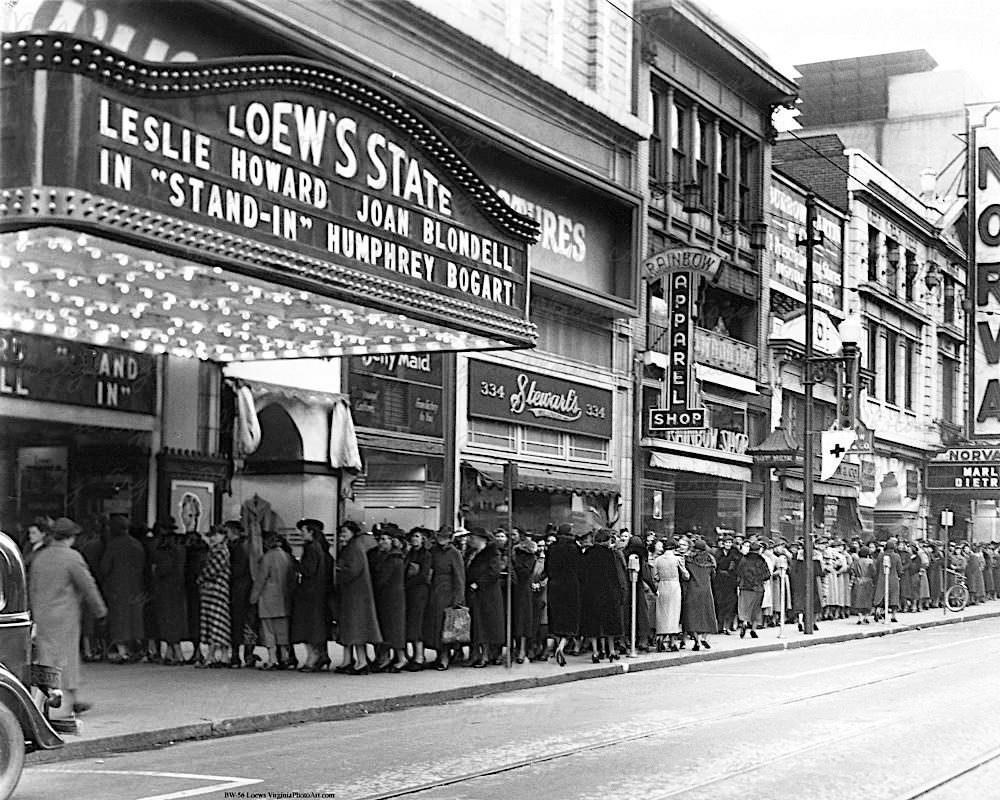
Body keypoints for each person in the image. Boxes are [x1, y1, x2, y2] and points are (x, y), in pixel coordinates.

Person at [28, 517, 107, 733]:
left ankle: (47, 700)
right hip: (64, 617)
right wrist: (100, 610)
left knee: (46, 658)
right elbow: (88, 585)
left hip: (42, 616)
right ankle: (65, 706)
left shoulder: (40, 557)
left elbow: (32, 587)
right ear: (70, 538)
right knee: (66, 659)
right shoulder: (72, 557)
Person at [334, 520, 382, 675]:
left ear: (352, 533)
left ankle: (361, 662)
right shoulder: (355, 547)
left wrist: (339, 571)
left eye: (344, 532)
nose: (342, 535)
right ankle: (355, 661)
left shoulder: (353, 548)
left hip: (355, 595)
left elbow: (352, 570)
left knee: (356, 629)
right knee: (354, 629)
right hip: (356, 595)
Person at [100, 515, 147, 663]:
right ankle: (137, 648)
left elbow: (105, 567)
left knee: (119, 621)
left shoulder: (113, 545)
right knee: (134, 621)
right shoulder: (137, 544)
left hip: (117, 588)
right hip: (135, 587)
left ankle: (123, 652)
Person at [291, 518, 332, 671]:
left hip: (309, 593)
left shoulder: (311, 548)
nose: (301, 534)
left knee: (308, 627)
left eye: (303, 531)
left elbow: (308, 570)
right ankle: (322, 655)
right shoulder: (321, 548)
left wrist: (295, 565)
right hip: (318, 593)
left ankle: (312, 658)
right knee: (317, 626)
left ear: (311, 532)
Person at [251, 530, 296, 669]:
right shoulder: (287, 556)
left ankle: (272, 659)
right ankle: (285, 657)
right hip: (284, 598)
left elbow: (261, 580)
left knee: (269, 630)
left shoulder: (267, 557)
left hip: (268, 598)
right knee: (282, 630)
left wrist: (253, 597)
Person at [579, 529, 625, 663]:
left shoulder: (588, 553)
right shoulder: (610, 554)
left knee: (593, 624)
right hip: (608, 592)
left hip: (591, 593)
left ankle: (595, 652)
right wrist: (619, 593)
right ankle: (611, 651)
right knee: (609, 623)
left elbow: (583, 574)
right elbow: (614, 575)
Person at [423, 526, 465, 671]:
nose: (442, 539)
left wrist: (458, 598)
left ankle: (445, 656)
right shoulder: (433, 551)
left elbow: (459, 576)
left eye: (445, 537)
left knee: (445, 627)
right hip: (434, 591)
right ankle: (438, 654)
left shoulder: (454, 553)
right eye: (440, 536)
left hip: (447, 592)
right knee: (434, 626)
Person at [464, 527, 504, 668]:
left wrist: (478, 583)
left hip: (488, 595)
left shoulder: (492, 554)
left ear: (481, 539)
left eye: (473, 537)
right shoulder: (471, 554)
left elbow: (493, 573)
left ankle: (486, 655)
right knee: (476, 625)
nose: (470, 540)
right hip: (474, 594)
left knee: (486, 625)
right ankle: (475, 654)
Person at [150, 518, 188, 664]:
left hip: (165, 588)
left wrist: (155, 570)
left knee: (167, 619)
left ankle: (176, 652)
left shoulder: (164, 548)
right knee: (176, 619)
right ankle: (172, 652)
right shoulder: (179, 546)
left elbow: (163, 568)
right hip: (177, 587)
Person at [542, 523, 581, 666]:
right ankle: (562, 646)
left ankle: (558, 644)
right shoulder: (574, 548)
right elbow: (579, 568)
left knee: (557, 617)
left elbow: (547, 568)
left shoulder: (552, 548)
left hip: (555, 586)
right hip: (571, 585)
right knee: (570, 618)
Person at [370, 525, 407, 673]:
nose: (382, 542)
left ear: (392, 541)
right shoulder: (389, 556)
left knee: (394, 629)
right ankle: (386, 658)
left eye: (385, 539)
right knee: (388, 628)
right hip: (389, 597)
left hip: (392, 598)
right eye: (380, 539)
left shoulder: (394, 558)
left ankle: (401, 658)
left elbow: (383, 578)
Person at [196, 525, 232, 667]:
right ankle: (222, 655)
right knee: (218, 621)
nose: (213, 538)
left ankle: (212, 655)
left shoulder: (220, 551)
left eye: (216, 535)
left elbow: (212, 570)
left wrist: (200, 578)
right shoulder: (217, 550)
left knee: (216, 621)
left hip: (215, 589)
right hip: (215, 589)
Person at [226, 520, 257, 668]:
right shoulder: (246, 545)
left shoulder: (238, 547)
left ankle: (238, 655)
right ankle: (247, 654)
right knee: (246, 622)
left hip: (239, 589)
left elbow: (237, 569)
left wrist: (225, 574)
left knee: (238, 623)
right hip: (244, 588)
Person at [402, 527, 433, 670]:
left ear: (423, 539)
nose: (414, 539)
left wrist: (407, 583)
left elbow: (423, 575)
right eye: (412, 536)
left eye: (417, 536)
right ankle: (415, 655)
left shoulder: (425, 555)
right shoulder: (410, 553)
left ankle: (419, 656)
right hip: (411, 591)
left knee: (417, 622)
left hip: (419, 592)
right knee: (412, 623)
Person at [653, 538, 688, 651]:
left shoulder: (658, 560)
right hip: (674, 586)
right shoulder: (677, 559)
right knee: (674, 613)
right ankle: (672, 642)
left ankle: (660, 638)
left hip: (662, 586)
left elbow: (655, 576)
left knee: (662, 613)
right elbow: (686, 575)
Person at [682, 540, 717, 651]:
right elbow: (713, 576)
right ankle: (704, 638)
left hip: (693, 590)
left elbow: (685, 575)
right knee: (706, 614)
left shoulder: (689, 560)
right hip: (706, 590)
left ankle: (696, 640)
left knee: (693, 616)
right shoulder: (710, 560)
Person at [625, 534, 655, 652]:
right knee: (642, 615)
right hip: (638, 588)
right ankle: (643, 640)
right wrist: (654, 589)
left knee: (627, 614)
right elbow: (647, 575)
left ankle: (626, 640)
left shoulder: (624, 554)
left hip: (627, 587)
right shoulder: (642, 556)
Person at [511, 536, 538, 663]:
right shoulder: (515, 554)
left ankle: (522, 649)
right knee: (514, 620)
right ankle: (515, 649)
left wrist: (514, 562)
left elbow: (525, 572)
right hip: (512, 590)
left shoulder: (529, 557)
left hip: (523, 591)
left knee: (522, 620)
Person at [736, 541, 771, 638]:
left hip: (745, 587)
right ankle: (753, 629)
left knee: (744, 607)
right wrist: (759, 579)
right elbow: (767, 575)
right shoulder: (761, 560)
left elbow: (738, 571)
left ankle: (745, 622)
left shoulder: (744, 559)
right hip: (758, 587)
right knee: (756, 608)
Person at [713, 536, 739, 634]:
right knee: (720, 604)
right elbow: (716, 565)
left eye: (730, 542)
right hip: (719, 582)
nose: (728, 544)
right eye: (726, 542)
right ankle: (720, 626)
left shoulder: (735, 553)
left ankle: (727, 626)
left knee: (730, 605)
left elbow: (738, 564)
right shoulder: (718, 553)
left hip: (731, 582)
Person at [873, 539, 904, 622]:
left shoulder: (880, 556)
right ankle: (893, 615)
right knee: (894, 596)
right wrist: (900, 575)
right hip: (893, 578)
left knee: (880, 594)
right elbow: (900, 569)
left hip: (882, 578)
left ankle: (878, 610)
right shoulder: (896, 556)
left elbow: (877, 567)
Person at [850, 544, 876, 624]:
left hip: (858, 581)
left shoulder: (856, 561)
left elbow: (851, 570)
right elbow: (874, 572)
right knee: (867, 599)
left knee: (858, 599)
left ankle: (860, 617)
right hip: (868, 581)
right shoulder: (871, 562)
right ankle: (866, 616)